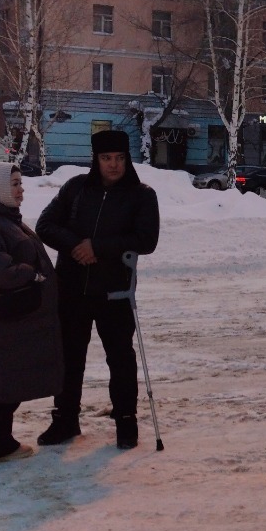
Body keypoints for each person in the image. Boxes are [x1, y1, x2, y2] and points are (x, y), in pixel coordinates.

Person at [35, 130, 160, 450]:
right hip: (72, 290)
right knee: (69, 358)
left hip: (115, 292)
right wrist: (76, 245)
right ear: (96, 159)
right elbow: (45, 225)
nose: (114, 165)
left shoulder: (141, 194)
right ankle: (65, 419)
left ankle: (126, 422)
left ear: (127, 159)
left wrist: (99, 248)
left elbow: (146, 240)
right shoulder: (76, 189)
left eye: (119, 158)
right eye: (106, 158)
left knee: (120, 359)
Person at [0, 163, 64, 462]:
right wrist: (30, 274)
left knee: (7, 381)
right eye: (15, 184)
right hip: (0, 320)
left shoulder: (2, 218)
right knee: (3, 383)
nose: (21, 190)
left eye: (20, 183)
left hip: (12, 319)